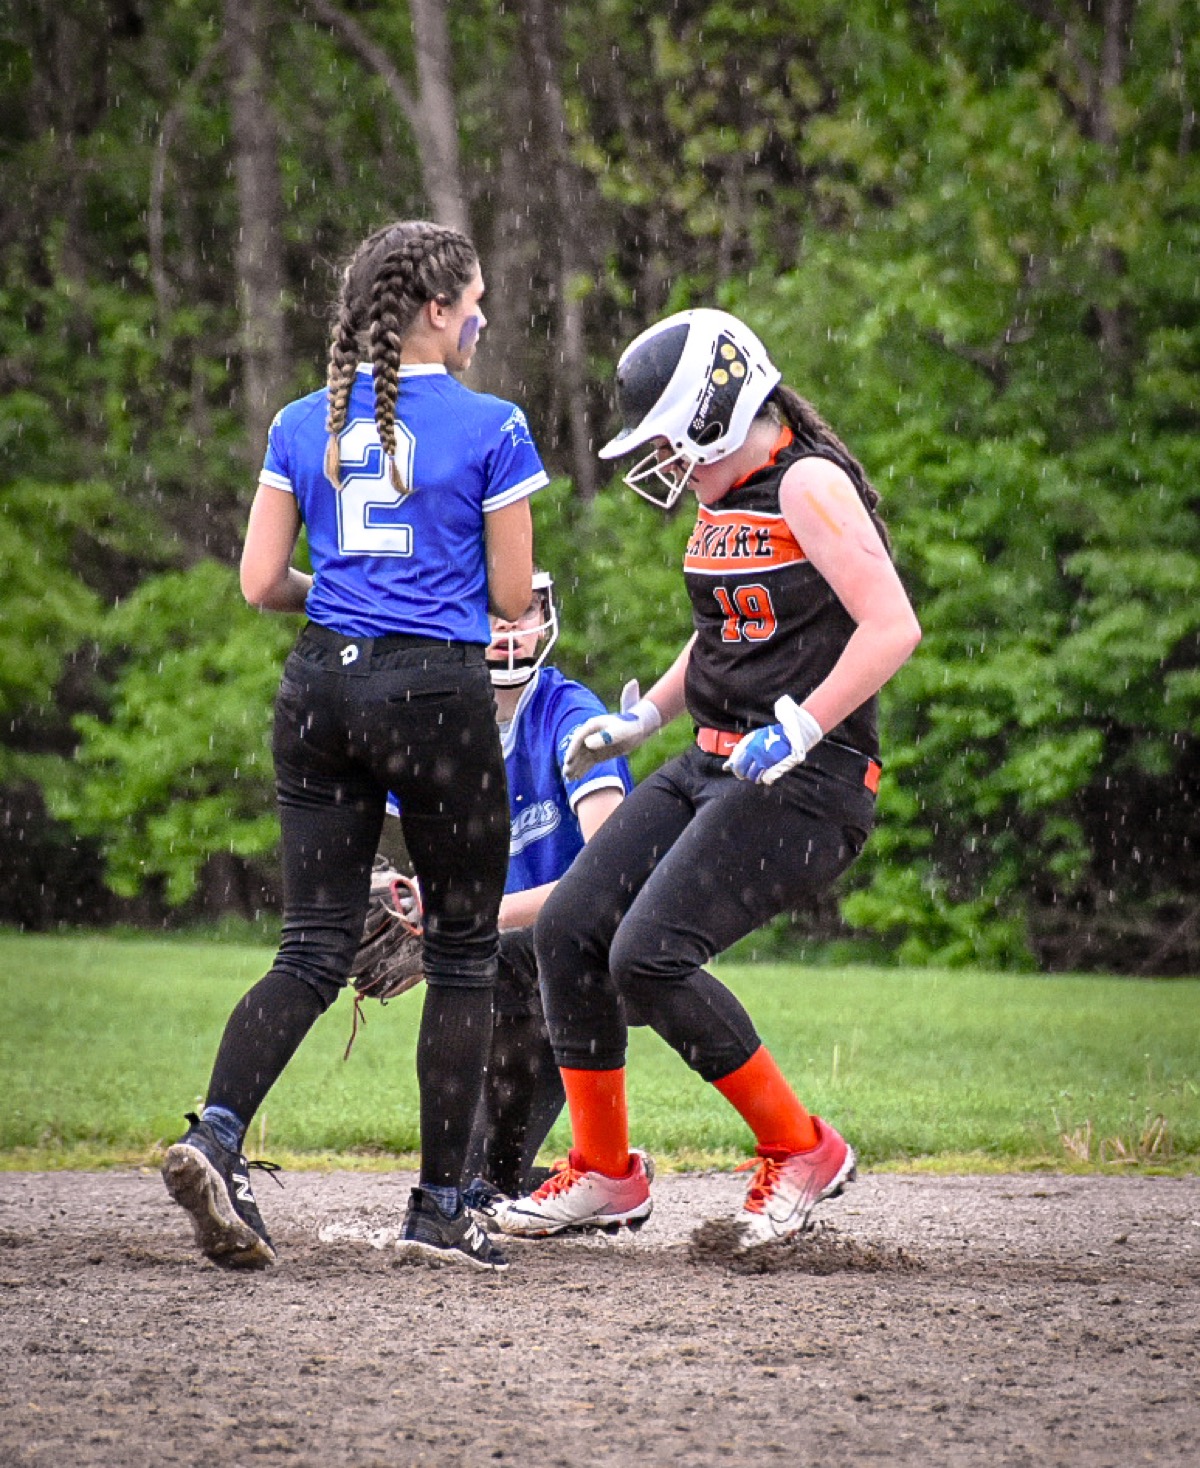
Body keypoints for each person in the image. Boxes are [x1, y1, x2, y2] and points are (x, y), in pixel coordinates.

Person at [161, 219, 548, 1273]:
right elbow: (513, 598)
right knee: (465, 952)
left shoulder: (301, 420)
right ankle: (441, 1206)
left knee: (311, 946)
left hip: (320, 683)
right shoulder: (494, 424)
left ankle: (217, 1131)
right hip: (435, 686)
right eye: (471, 299)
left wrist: (343, 597)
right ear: (434, 310)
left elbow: (258, 585)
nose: (481, 317)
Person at [495, 307, 921, 1246]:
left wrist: (806, 724)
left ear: (716, 410)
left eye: (668, 440)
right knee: (569, 926)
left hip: (810, 781)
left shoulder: (807, 482)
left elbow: (893, 625)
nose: (669, 464)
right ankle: (607, 1170)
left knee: (645, 957)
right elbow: (729, 625)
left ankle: (802, 1147)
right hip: (714, 760)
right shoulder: (726, 492)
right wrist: (645, 717)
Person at [462, 570, 632, 1204]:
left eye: (524, 611)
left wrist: (478, 916)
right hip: (515, 964)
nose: (510, 628)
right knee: (469, 1186)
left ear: (545, 619)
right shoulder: (448, 718)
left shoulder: (569, 713)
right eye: (494, 612)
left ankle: (599, 1173)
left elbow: (609, 874)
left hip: (591, 956)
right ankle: (579, 1181)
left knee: (508, 956)